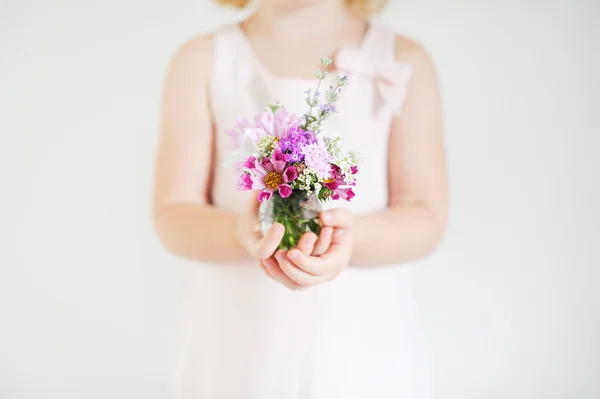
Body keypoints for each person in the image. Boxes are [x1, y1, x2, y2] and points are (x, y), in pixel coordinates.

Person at [152, 0, 447, 397]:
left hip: (363, 349)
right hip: (237, 349)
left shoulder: (403, 60)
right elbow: (174, 215)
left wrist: (348, 237)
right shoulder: (203, 59)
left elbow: (425, 216)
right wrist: (243, 231)